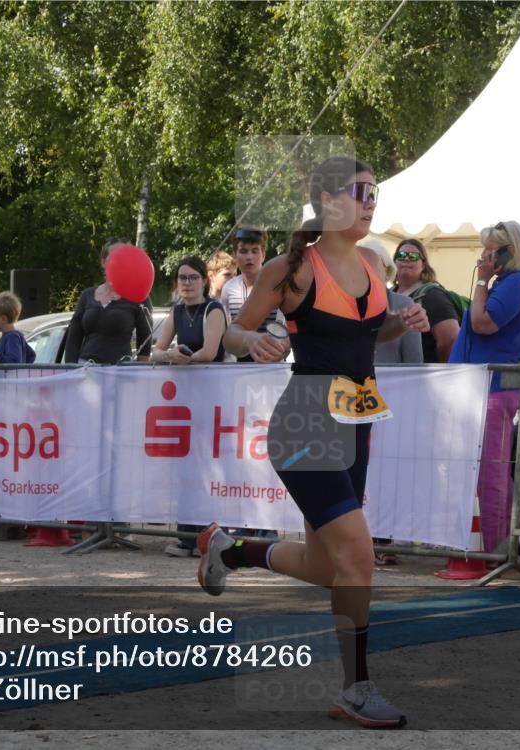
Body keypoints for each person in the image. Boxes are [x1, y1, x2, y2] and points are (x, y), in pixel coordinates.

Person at [198, 156, 429, 728]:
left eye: (375, 193)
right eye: (360, 192)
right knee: (360, 558)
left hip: (356, 424)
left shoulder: (374, 265)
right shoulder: (291, 267)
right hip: (305, 422)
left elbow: (372, 335)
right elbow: (232, 332)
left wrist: (407, 322)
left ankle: (231, 550)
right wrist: (252, 341)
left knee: (332, 568)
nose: (371, 201)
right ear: (328, 202)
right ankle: (356, 689)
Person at [448, 220, 520, 555]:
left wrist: (483, 280)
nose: (483, 256)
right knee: (491, 473)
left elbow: (483, 323)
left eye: (489, 250)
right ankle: (498, 546)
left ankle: (495, 549)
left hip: (496, 390)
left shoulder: (514, 283)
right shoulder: (511, 282)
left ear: (507, 251)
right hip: (486, 388)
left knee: (492, 475)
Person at [151, 256, 228, 557]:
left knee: (207, 467)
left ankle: (208, 537)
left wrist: (181, 357)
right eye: (182, 278)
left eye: (192, 277)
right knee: (185, 466)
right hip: (184, 400)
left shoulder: (214, 309)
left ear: (204, 280)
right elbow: (156, 350)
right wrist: (170, 355)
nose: (186, 283)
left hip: (210, 396)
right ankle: (187, 537)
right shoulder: (177, 310)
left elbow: (209, 352)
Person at [364, 240, 423, 565]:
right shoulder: (347, 304)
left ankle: (384, 540)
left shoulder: (402, 303)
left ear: (386, 271)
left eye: (373, 267)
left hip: (393, 405)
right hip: (355, 403)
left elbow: (414, 361)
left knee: (388, 473)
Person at [64, 238, 153, 364]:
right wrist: (71, 370)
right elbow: (73, 339)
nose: (120, 262)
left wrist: (139, 373)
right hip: (85, 371)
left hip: (120, 373)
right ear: (103, 262)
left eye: (124, 258)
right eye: (115, 257)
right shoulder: (87, 295)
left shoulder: (139, 297)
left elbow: (145, 340)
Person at [219, 226, 285, 363]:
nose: (249, 257)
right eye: (243, 251)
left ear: (263, 254)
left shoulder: (278, 286)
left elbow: (284, 328)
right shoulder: (228, 288)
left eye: (255, 251)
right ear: (235, 255)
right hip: (238, 365)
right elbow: (225, 330)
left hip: (272, 362)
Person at [392, 239, 460, 364]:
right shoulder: (389, 294)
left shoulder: (433, 295)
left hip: (421, 377)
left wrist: (439, 373)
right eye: (401, 255)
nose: (406, 259)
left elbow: (451, 339)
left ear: (423, 265)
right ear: (394, 261)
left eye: (413, 256)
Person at [0, 292, 36, 367]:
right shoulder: (15, 335)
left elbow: (13, 359)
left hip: (11, 378)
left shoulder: (12, 337)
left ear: (3, 319)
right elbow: (31, 355)